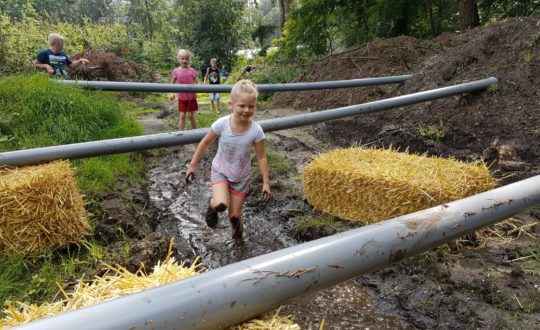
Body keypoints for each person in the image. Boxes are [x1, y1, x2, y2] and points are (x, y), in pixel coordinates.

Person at [185, 79, 271, 239]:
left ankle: (238, 240)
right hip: (221, 171)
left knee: (234, 216)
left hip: (241, 177)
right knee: (220, 204)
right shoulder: (221, 124)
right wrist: (192, 165)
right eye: (242, 106)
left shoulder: (257, 131)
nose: (247, 110)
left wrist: (266, 182)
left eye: (251, 106)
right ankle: (212, 205)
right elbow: (205, 142)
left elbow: (261, 157)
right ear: (231, 104)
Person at [171, 49, 199, 130]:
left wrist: (196, 90)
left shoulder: (192, 71)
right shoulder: (175, 71)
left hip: (191, 97)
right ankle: (181, 134)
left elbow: (198, 82)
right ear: (179, 59)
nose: (184, 61)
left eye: (186, 59)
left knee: (190, 115)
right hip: (181, 97)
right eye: (182, 58)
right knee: (182, 115)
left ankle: (195, 131)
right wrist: (172, 94)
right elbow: (171, 84)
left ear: (189, 59)